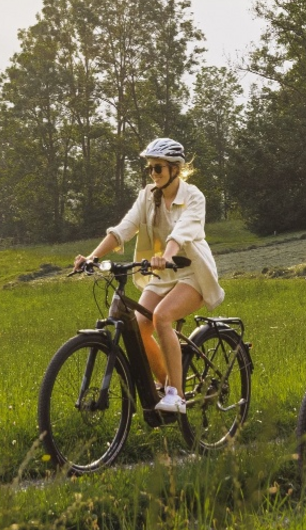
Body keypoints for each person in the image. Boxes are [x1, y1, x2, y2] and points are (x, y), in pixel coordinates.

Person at [75, 138, 223, 414]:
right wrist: (93, 257)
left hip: (192, 271)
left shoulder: (193, 196)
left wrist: (166, 255)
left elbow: (182, 232)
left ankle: (176, 396)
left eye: (159, 169)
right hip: (162, 272)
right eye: (150, 169)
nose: (154, 174)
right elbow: (124, 228)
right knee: (139, 326)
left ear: (175, 169)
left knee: (162, 317)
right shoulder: (147, 196)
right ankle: (166, 382)